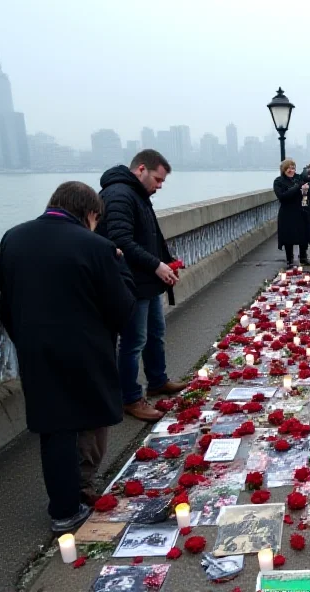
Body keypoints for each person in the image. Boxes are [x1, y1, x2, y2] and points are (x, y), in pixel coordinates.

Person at [0, 181, 136, 532]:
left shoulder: (13, 239)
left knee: (54, 428)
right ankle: (79, 490)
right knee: (88, 418)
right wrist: (120, 266)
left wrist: (26, 341)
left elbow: (7, 303)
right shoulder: (97, 246)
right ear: (90, 213)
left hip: (36, 349)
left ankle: (63, 509)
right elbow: (122, 309)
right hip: (85, 350)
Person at [97, 149, 187, 423]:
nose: (159, 186)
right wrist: (155, 265)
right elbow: (120, 240)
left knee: (155, 334)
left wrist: (166, 260)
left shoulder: (137, 194)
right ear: (141, 170)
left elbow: (149, 236)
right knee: (133, 342)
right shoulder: (119, 195)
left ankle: (158, 380)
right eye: (157, 180)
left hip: (147, 282)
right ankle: (131, 398)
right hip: (132, 284)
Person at [273, 158, 310, 267]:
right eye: (289, 168)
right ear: (283, 169)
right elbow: (282, 196)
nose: (291, 170)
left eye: (293, 168)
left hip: (300, 210)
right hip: (287, 212)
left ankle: (303, 257)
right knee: (288, 236)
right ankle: (289, 259)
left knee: (303, 235)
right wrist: (297, 187)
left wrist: (306, 191)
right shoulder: (278, 181)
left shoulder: (299, 178)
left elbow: (307, 193)